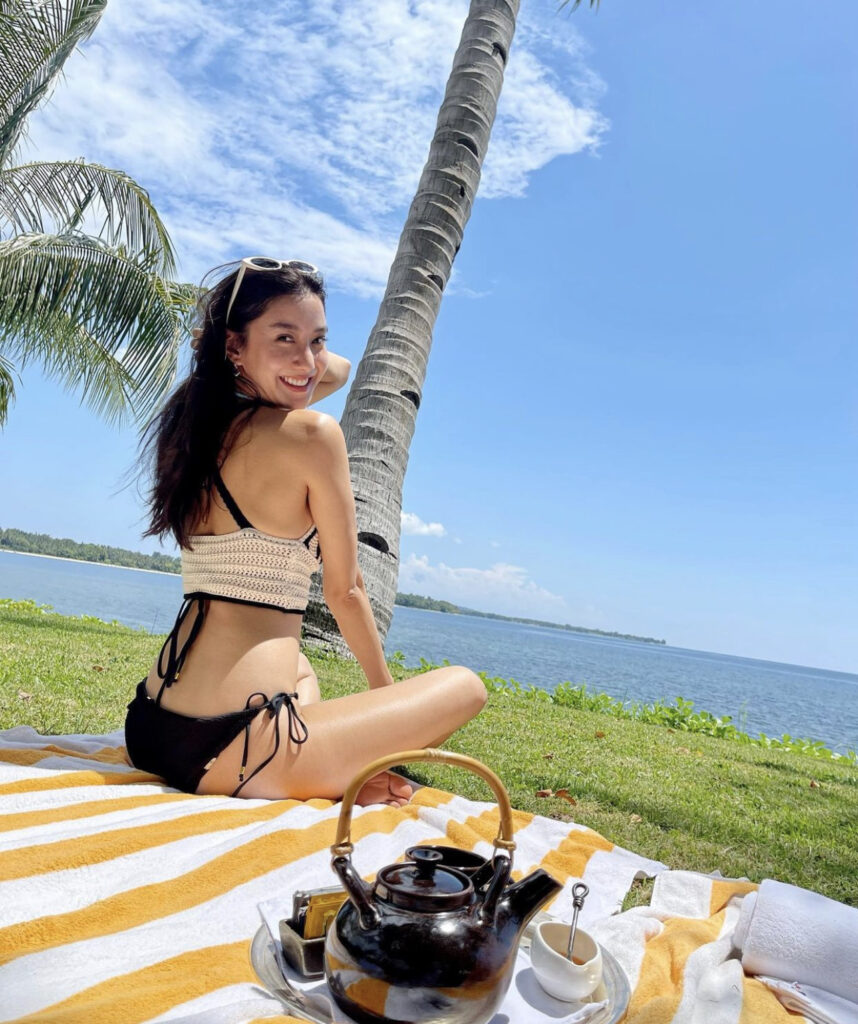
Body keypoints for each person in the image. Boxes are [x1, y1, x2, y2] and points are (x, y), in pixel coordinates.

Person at [125, 257, 486, 807]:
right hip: (233, 747)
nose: (308, 361)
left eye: (317, 340)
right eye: (284, 338)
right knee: (465, 686)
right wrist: (389, 711)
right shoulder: (312, 436)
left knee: (298, 668)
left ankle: (328, 765)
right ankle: (337, 768)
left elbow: (330, 369)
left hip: (152, 724)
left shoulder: (193, 426)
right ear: (234, 346)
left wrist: (274, 348)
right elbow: (346, 591)